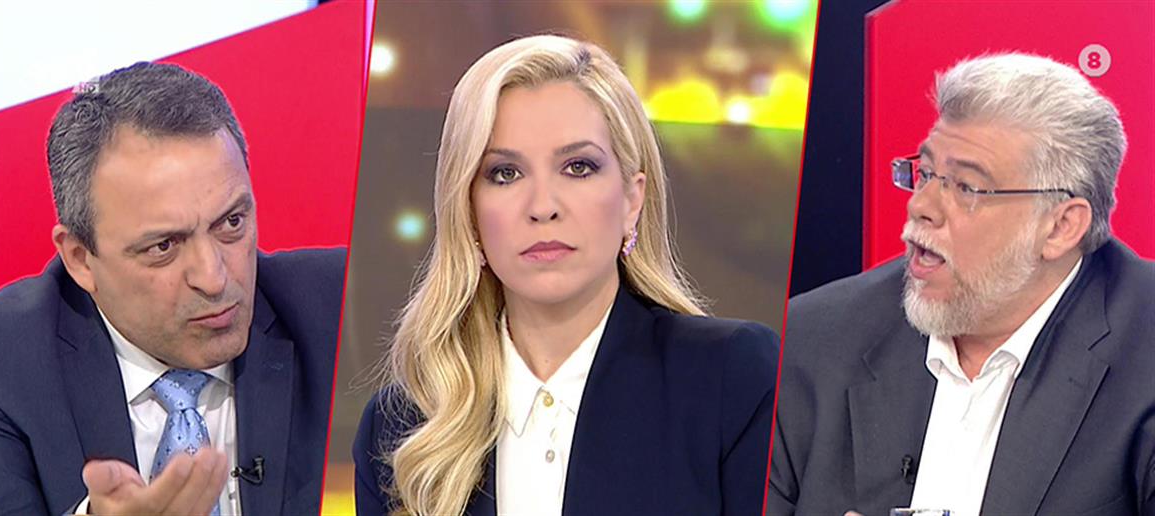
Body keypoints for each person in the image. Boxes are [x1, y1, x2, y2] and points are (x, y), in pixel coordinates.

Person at [352, 35, 780, 516]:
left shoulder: (730, 378)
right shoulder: (402, 427)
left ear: (632, 199)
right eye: (505, 173)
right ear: (468, 210)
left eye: (578, 167)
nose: (543, 207)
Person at [768, 53, 1155, 515]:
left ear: (1060, 227)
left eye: (967, 187)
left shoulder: (1144, 347)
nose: (921, 206)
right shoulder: (811, 341)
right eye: (926, 174)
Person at [0, 62, 344, 515]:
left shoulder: (343, 304)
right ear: (80, 259)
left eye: (231, 223)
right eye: (164, 246)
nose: (214, 278)